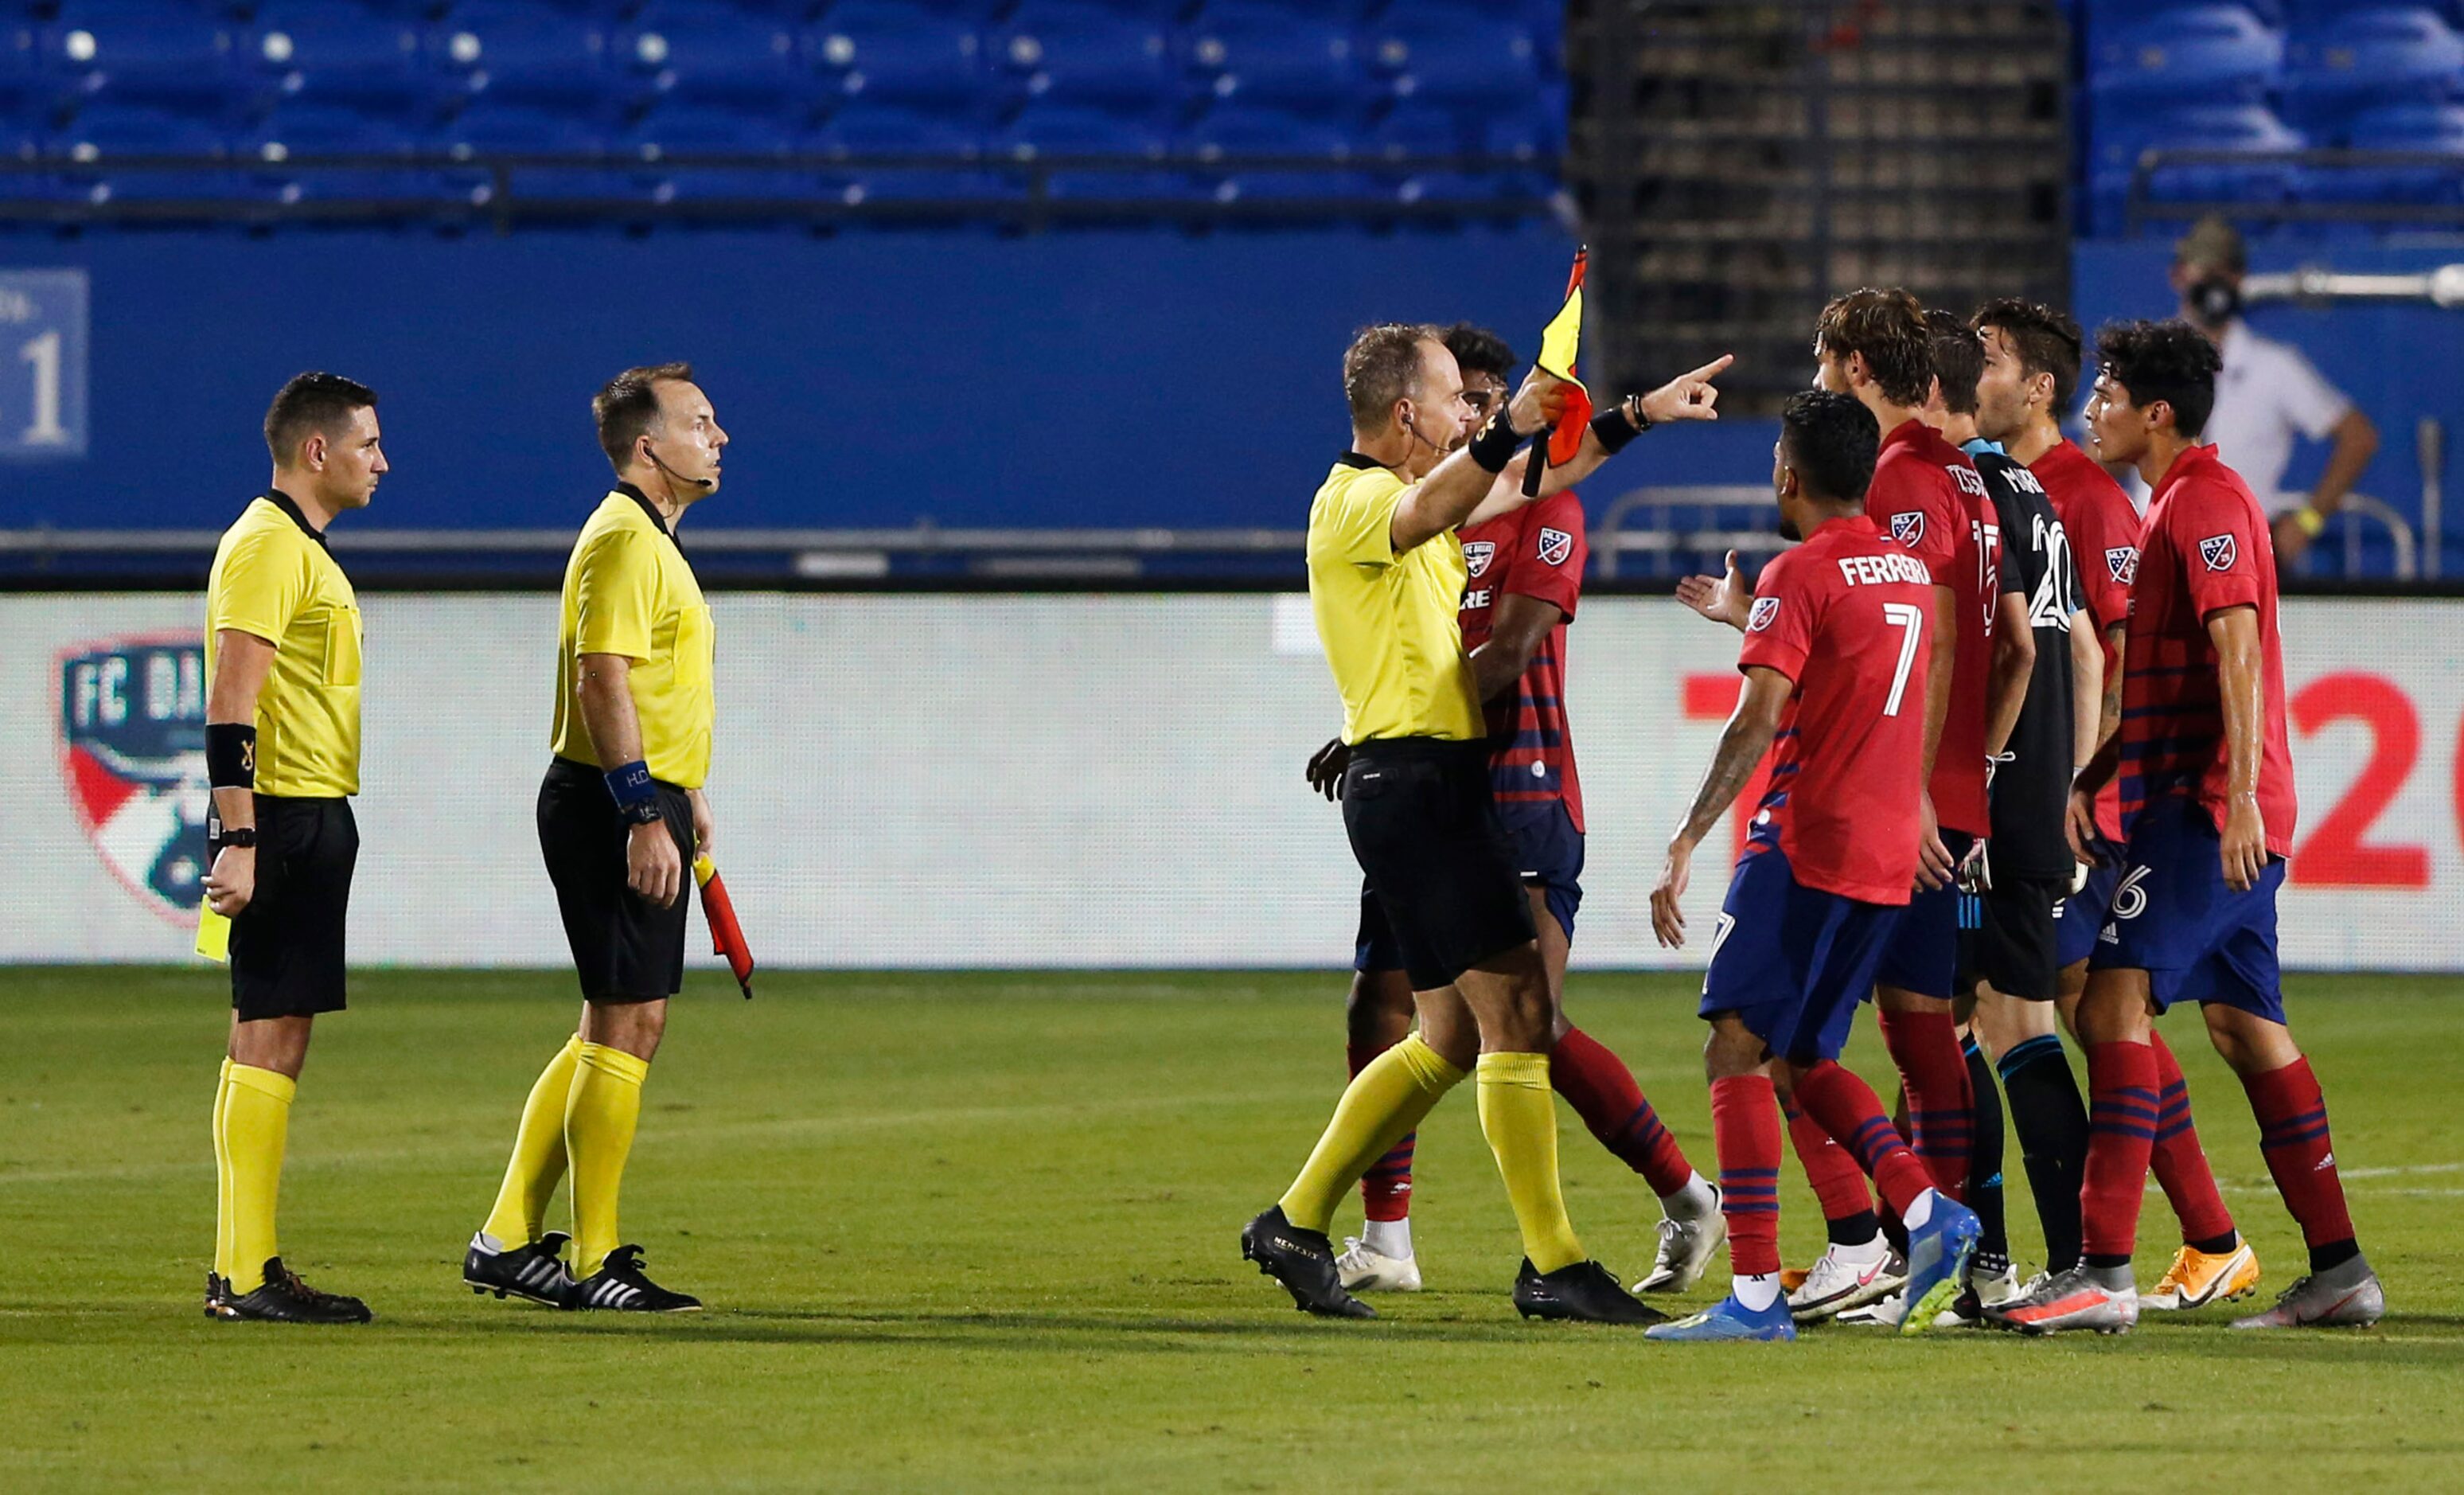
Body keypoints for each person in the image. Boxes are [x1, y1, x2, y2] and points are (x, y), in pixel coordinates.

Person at [1239, 322, 1727, 1324]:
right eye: (1449, 396)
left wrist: (1636, 415)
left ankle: (1295, 1221)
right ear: (1406, 412)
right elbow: (1440, 500)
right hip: (1418, 788)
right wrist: (1507, 423)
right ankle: (1554, 1264)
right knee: (1519, 1018)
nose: (1463, 412)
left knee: (1448, 1035)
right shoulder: (1359, 501)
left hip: (1416, 787)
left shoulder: (1412, 497)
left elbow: (1534, 482)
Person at [1990, 321, 2385, 1334]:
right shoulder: (2174, 499)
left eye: (2109, 393)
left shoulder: (2206, 500)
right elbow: (2167, 678)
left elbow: (2235, 641)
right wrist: (2101, 768)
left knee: (2111, 1007)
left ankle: (2106, 1273)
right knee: (2246, 1030)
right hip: (2190, 797)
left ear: (2155, 413)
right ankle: (2340, 1270)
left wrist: (2241, 794)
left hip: (2208, 813)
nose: (2095, 407)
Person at [1684, 288, 2017, 1322]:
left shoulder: (1814, 557)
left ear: (1787, 474)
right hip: (1892, 840)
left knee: (1740, 1040)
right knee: (1816, 1052)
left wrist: (1688, 837)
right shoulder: (1905, 565)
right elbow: (1916, 661)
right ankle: (1922, 1221)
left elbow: (1760, 717)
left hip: (1814, 833)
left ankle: (1760, 1284)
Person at [1975, 299, 2259, 1313]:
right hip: (2054, 798)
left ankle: (2088, 1260)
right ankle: (2208, 1239)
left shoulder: (2088, 498)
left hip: (2087, 806)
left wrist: (2087, 790)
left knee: (2062, 999)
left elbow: (2123, 647)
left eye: (1990, 358)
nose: (1974, 376)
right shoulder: (2001, 482)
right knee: (2087, 1006)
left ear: (2036, 385)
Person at [465, 363, 726, 1313]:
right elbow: (601, 682)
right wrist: (641, 811)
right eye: (700, 422)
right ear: (649, 447)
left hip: (639, 793)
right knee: (627, 1018)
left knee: (614, 1022)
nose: (720, 436)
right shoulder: (622, 539)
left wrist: (681, 792)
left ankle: (505, 1238)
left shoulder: (648, 542)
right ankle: (594, 1258)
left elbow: (643, 686)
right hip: (610, 801)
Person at [201, 372, 388, 1324]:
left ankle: (244, 1263)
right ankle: (243, 1275)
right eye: (367, 444)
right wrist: (241, 836)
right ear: (317, 452)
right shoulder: (272, 547)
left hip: (301, 812)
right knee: (270, 1030)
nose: (381, 462)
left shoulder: (291, 548)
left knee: (274, 1029)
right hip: (279, 814)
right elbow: (232, 702)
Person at [2170, 215, 2379, 570]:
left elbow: (2358, 437)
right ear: (2179, 276)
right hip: (2156, 547)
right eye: (2202, 270)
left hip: (2242, 554)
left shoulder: (2274, 368)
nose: (2212, 284)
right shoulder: (2146, 360)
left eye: (2224, 271)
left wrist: (2307, 522)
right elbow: (2099, 451)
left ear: (2239, 280)